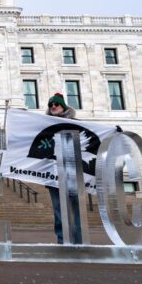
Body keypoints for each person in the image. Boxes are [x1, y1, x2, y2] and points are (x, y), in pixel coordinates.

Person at [45, 92, 82, 244]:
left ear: (64, 107)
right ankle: (62, 240)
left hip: (73, 173)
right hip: (53, 173)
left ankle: (78, 240)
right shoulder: (43, 124)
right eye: (51, 104)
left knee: (75, 208)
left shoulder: (77, 123)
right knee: (59, 209)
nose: (53, 106)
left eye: (56, 104)